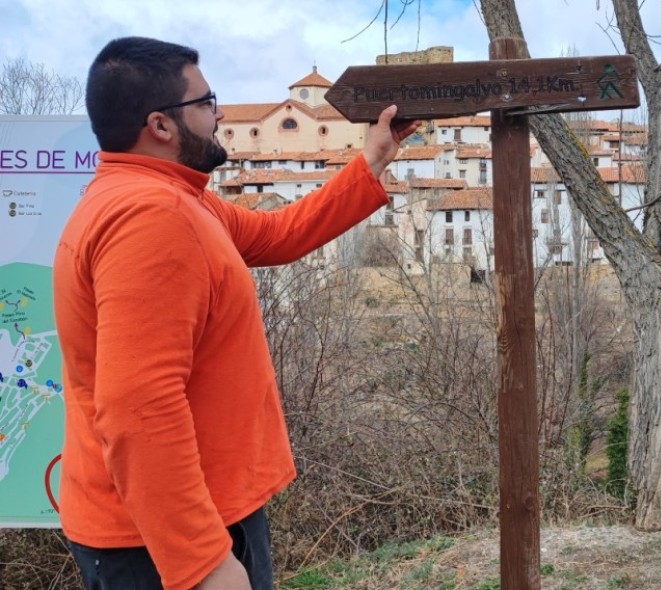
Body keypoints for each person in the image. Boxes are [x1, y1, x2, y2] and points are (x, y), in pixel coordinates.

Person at [53, 36, 419, 590]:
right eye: (206, 102)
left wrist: (371, 160)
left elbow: (278, 234)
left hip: (178, 520)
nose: (221, 112)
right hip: (165, 539)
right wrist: (203, 561)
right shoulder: (152, 218)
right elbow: (138, 407)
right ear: (161, 125)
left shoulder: (172, 197)